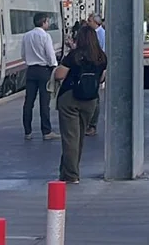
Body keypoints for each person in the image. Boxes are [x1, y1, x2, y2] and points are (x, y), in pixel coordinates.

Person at [53, 26, 107, 184]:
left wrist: (57, 71)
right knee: (78, 138)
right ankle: (66, 172)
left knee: (70, 138)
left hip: (70, 98)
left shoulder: (74, 56)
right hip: (90, 100)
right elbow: (102, 79)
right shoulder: (101, 57)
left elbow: (59, 75)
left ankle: (71, 175)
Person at [22, 12, 61, 140]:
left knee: (29, 102)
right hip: (44, 71)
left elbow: (23, 55)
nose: (48, 24)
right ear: (43, 22)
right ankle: (46, 131)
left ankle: (27, 131)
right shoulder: (45, 36)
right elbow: (50, 55)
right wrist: (54, 66)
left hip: (31, 71)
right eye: (47, 22)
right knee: (44, 103)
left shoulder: (26, 36)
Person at [85, 13, 106, 136]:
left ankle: (92, 124)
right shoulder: (95, 33)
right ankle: (90, 123)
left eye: (89, 20)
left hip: (96, 68)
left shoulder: (100, 34)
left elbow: (103, 52)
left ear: (95, 22)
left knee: (94, 96)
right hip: (93, 67)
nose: (88, 22)